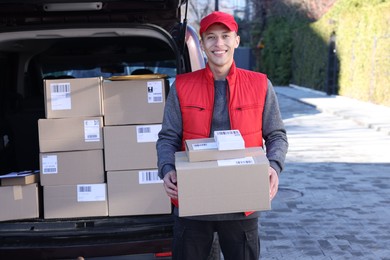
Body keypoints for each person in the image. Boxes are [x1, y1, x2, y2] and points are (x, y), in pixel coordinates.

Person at [156, 11, 288, 260]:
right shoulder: (183, 86)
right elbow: (167, 137)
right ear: (203, 44)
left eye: (226, 36)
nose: (219, 44)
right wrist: (166, 169)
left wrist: (273, 166)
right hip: (192, 202)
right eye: (211, 37)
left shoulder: (260, 85)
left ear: (236, 40)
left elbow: (277, 135)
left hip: (242, 203)